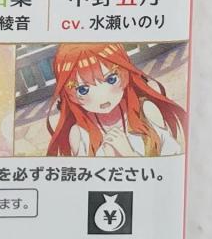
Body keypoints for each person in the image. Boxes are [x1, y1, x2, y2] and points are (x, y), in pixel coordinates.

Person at [43, 43, 186, 157]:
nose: (101, 96)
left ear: (126, 72)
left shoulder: (147, 111)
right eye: (83, 89)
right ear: (68, 94)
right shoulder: (79, 134)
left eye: (111, 79)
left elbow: (171, 162)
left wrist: (130, 155)